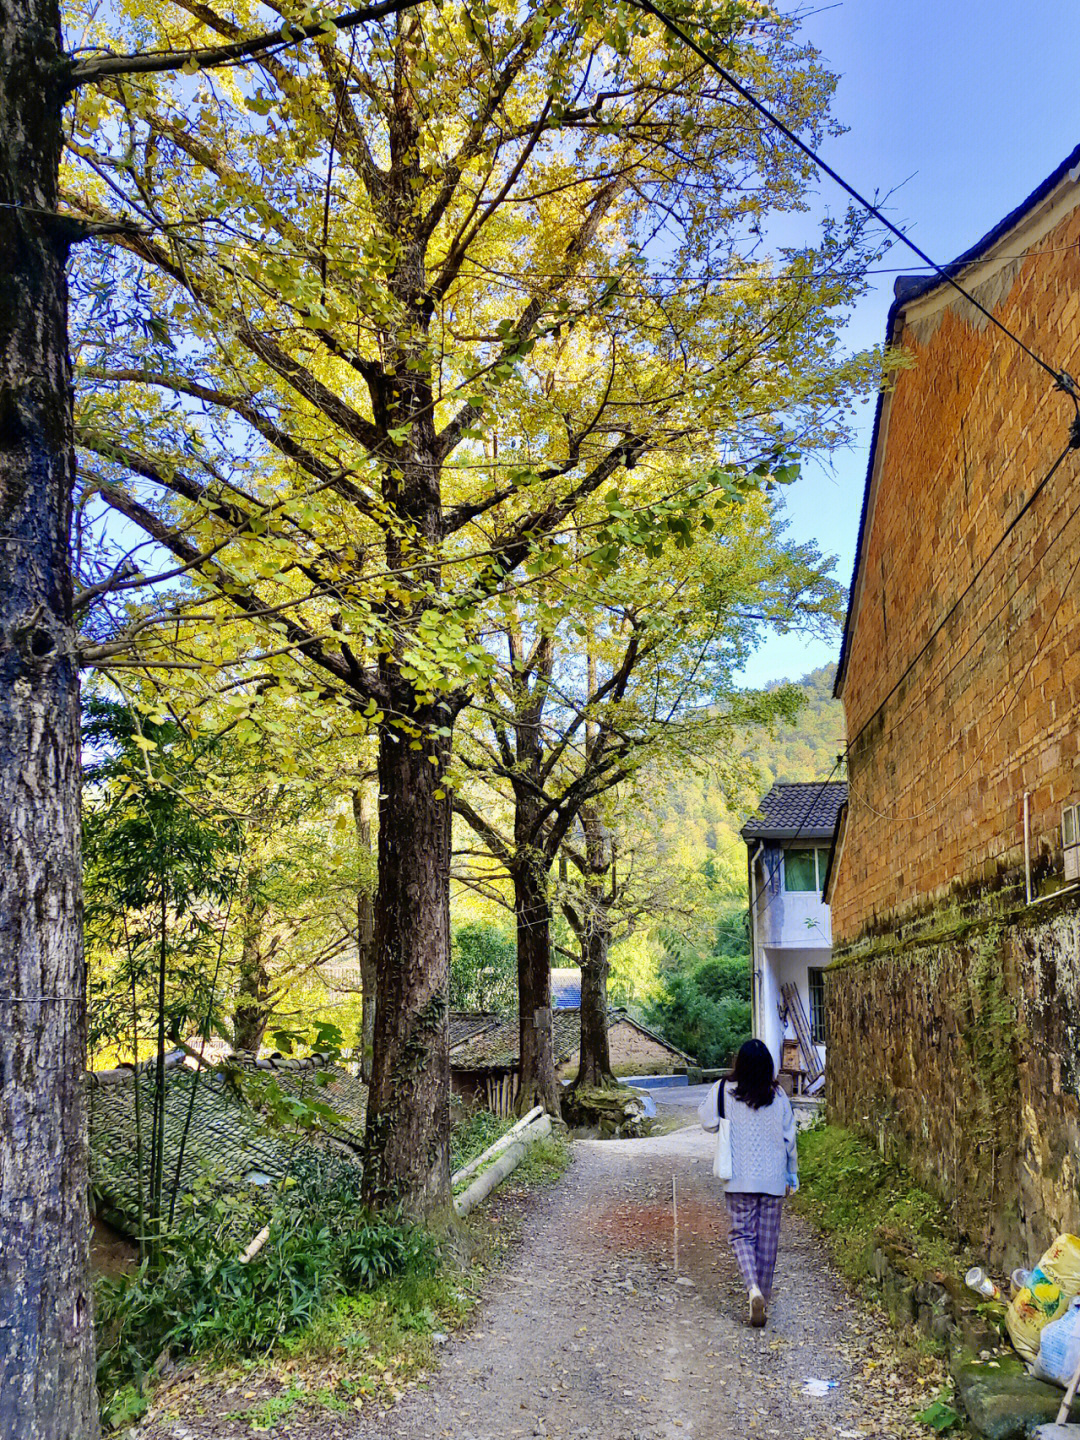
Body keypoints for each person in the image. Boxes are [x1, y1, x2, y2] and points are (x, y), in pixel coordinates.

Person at [721, 1038, 798, 1328]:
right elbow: (790, 1138)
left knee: (742, 1235)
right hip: (773, 1179)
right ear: (768, 1066)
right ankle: (763, 1298)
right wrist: (793, 1173)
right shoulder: (779, 1097)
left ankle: (752, 1288)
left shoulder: (724, 1091)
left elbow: (706, 1121)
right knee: (767, 1241)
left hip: (738, 1178)